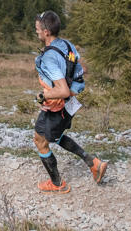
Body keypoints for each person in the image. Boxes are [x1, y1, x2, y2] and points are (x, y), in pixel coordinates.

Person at [32, 10, 107, 193]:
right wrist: (72, 94)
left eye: (37, 29)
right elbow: (80, 75)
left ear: (46, 32)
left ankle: (57, 183)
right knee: (54, 136)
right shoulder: (67, 44)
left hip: (56, 106)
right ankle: (93, 163)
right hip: (68, 104)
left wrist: (43, 96)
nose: (36, 32)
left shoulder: (49, 57)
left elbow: (62, 90)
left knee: (40, 140)